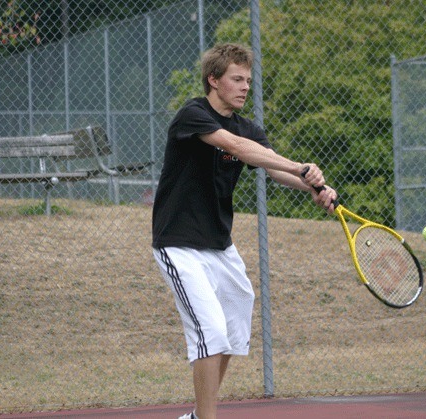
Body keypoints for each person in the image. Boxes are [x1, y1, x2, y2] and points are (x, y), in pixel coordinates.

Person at [152, 43, 337, 419]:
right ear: (213, 80)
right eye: (237, 79)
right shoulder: (193, 114)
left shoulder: (249, 128)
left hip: (220, 246)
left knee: (234, 331)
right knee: (211, 332)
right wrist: (301, 165)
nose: (244, 86)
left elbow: (275, 170)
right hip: (179, 245)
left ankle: (195, 416)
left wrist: (316, 187)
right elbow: (238, 148)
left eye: (248, 80)